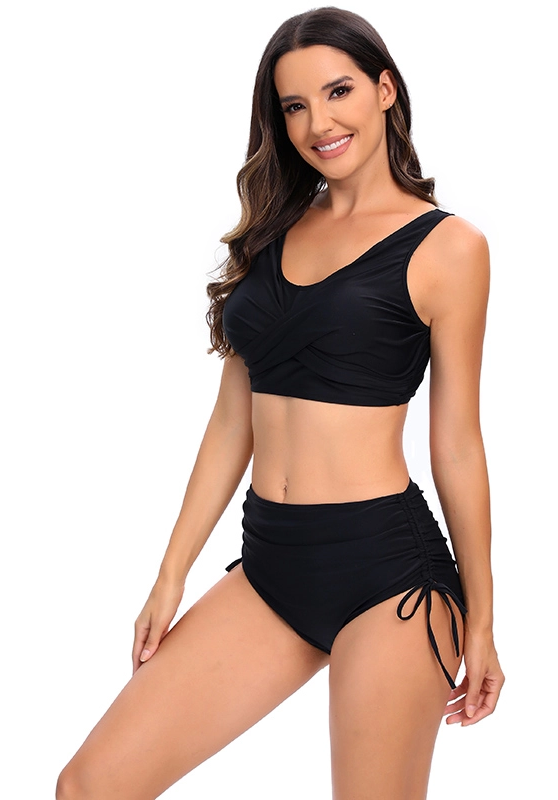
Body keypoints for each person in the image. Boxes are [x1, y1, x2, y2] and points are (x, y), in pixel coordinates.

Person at [56, 7, 504, 800]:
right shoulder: (271, 234)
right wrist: (170, 575)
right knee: (90, 787)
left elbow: (458, 445)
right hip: (270, 566)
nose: (318, 123)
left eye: (338, 92)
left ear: (386, 90)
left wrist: (484, 619)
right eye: (295, 106)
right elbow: (233, 421)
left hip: (390, 578)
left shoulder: (449, 247)